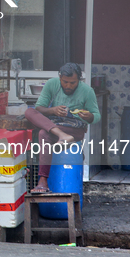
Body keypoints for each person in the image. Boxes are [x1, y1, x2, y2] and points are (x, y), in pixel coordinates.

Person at [25, 62, 100, 193]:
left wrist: (89, 116)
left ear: (79, 80)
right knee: (29, 112)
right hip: (55, 126)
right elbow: (40, 108)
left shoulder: (87, 91)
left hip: (74, 130)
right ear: (60, 77)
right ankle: (62, 136)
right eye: (65, 82)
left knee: (43, 134)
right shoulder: (51, 84)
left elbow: (97, 116)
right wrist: (53, 110)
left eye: (73, 83)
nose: (68, 86)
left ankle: (43, 181)